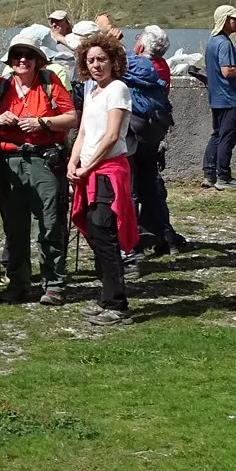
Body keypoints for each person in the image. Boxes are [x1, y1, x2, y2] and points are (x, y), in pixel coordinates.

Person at [0, 33, 76, 305]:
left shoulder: (50, 83)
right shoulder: (0, 86)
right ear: (10, 61)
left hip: (43, 159)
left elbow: (71, 117)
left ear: (37, 60)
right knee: (14, 226)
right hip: (7, 161)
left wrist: (42, 123)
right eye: (17, 56)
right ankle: (18, 283)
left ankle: (54, 284)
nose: (22, 60)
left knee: (49, 221)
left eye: (28, 56)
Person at [68, 34, 140, 326]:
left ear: (113, 61)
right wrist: (74, 161)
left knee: (106, 234)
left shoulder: (118, 90)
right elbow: (84, 132)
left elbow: (111, 136)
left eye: (101, 59)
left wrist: (88, 167)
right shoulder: (91, 90)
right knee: (95, 234)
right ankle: (107, 296)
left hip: (108, 172)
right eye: (91, 60)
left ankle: (117, 304)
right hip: (88, 170)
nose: (96, 65)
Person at [127, 24, 186, 257]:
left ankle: (134, 242)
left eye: (138, 38)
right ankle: (167, 236)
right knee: (150, 185)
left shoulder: (139, 65)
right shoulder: (162, 66)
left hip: (136, 132)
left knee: (132, 188)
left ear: (141, 44)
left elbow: (116, 60)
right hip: (155, 131)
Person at [203, 4, 236, 190]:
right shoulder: (224, 43)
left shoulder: (212, 42)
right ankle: (223, 177)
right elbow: (227, 71)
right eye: (234, 18)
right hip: (228, 98)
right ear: (225, 20)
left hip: (216, 97)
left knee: (217, 134)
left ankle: (209, 173)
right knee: (227, 137)